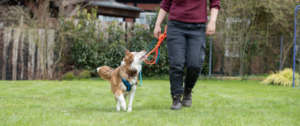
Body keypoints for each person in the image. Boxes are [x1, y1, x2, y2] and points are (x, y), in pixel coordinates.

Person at [154, 0, 220, 110]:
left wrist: (212, 21)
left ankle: (188, 89)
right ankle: (176, 98)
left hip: (198, 28)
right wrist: (157, 24)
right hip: (175, 26)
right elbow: (166, 3)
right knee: (176, 63)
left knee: (195, 64)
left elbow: (215, 2)